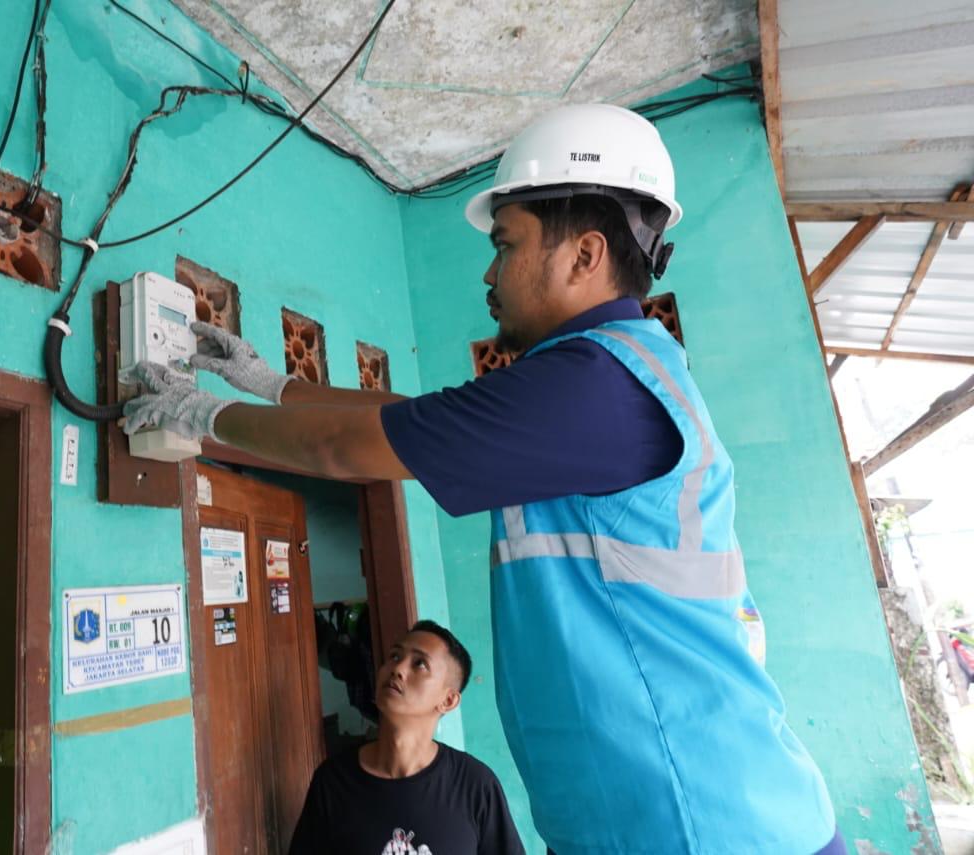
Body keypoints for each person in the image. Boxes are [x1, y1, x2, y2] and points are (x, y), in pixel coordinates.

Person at [124, 103, 845, 853]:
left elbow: (353, 448)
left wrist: (202, 416)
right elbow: (420, 419)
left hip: (704, 828)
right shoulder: (603, 375)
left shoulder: (600, 385)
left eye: (506, 244)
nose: (489, 272)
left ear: (584, 254)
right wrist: (274, 384)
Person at [288, 620, 524, 855]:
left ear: (448, 700)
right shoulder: (333, 781)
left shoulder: (475, 785)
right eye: (394, 656)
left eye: (419, 664)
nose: (397, 669)